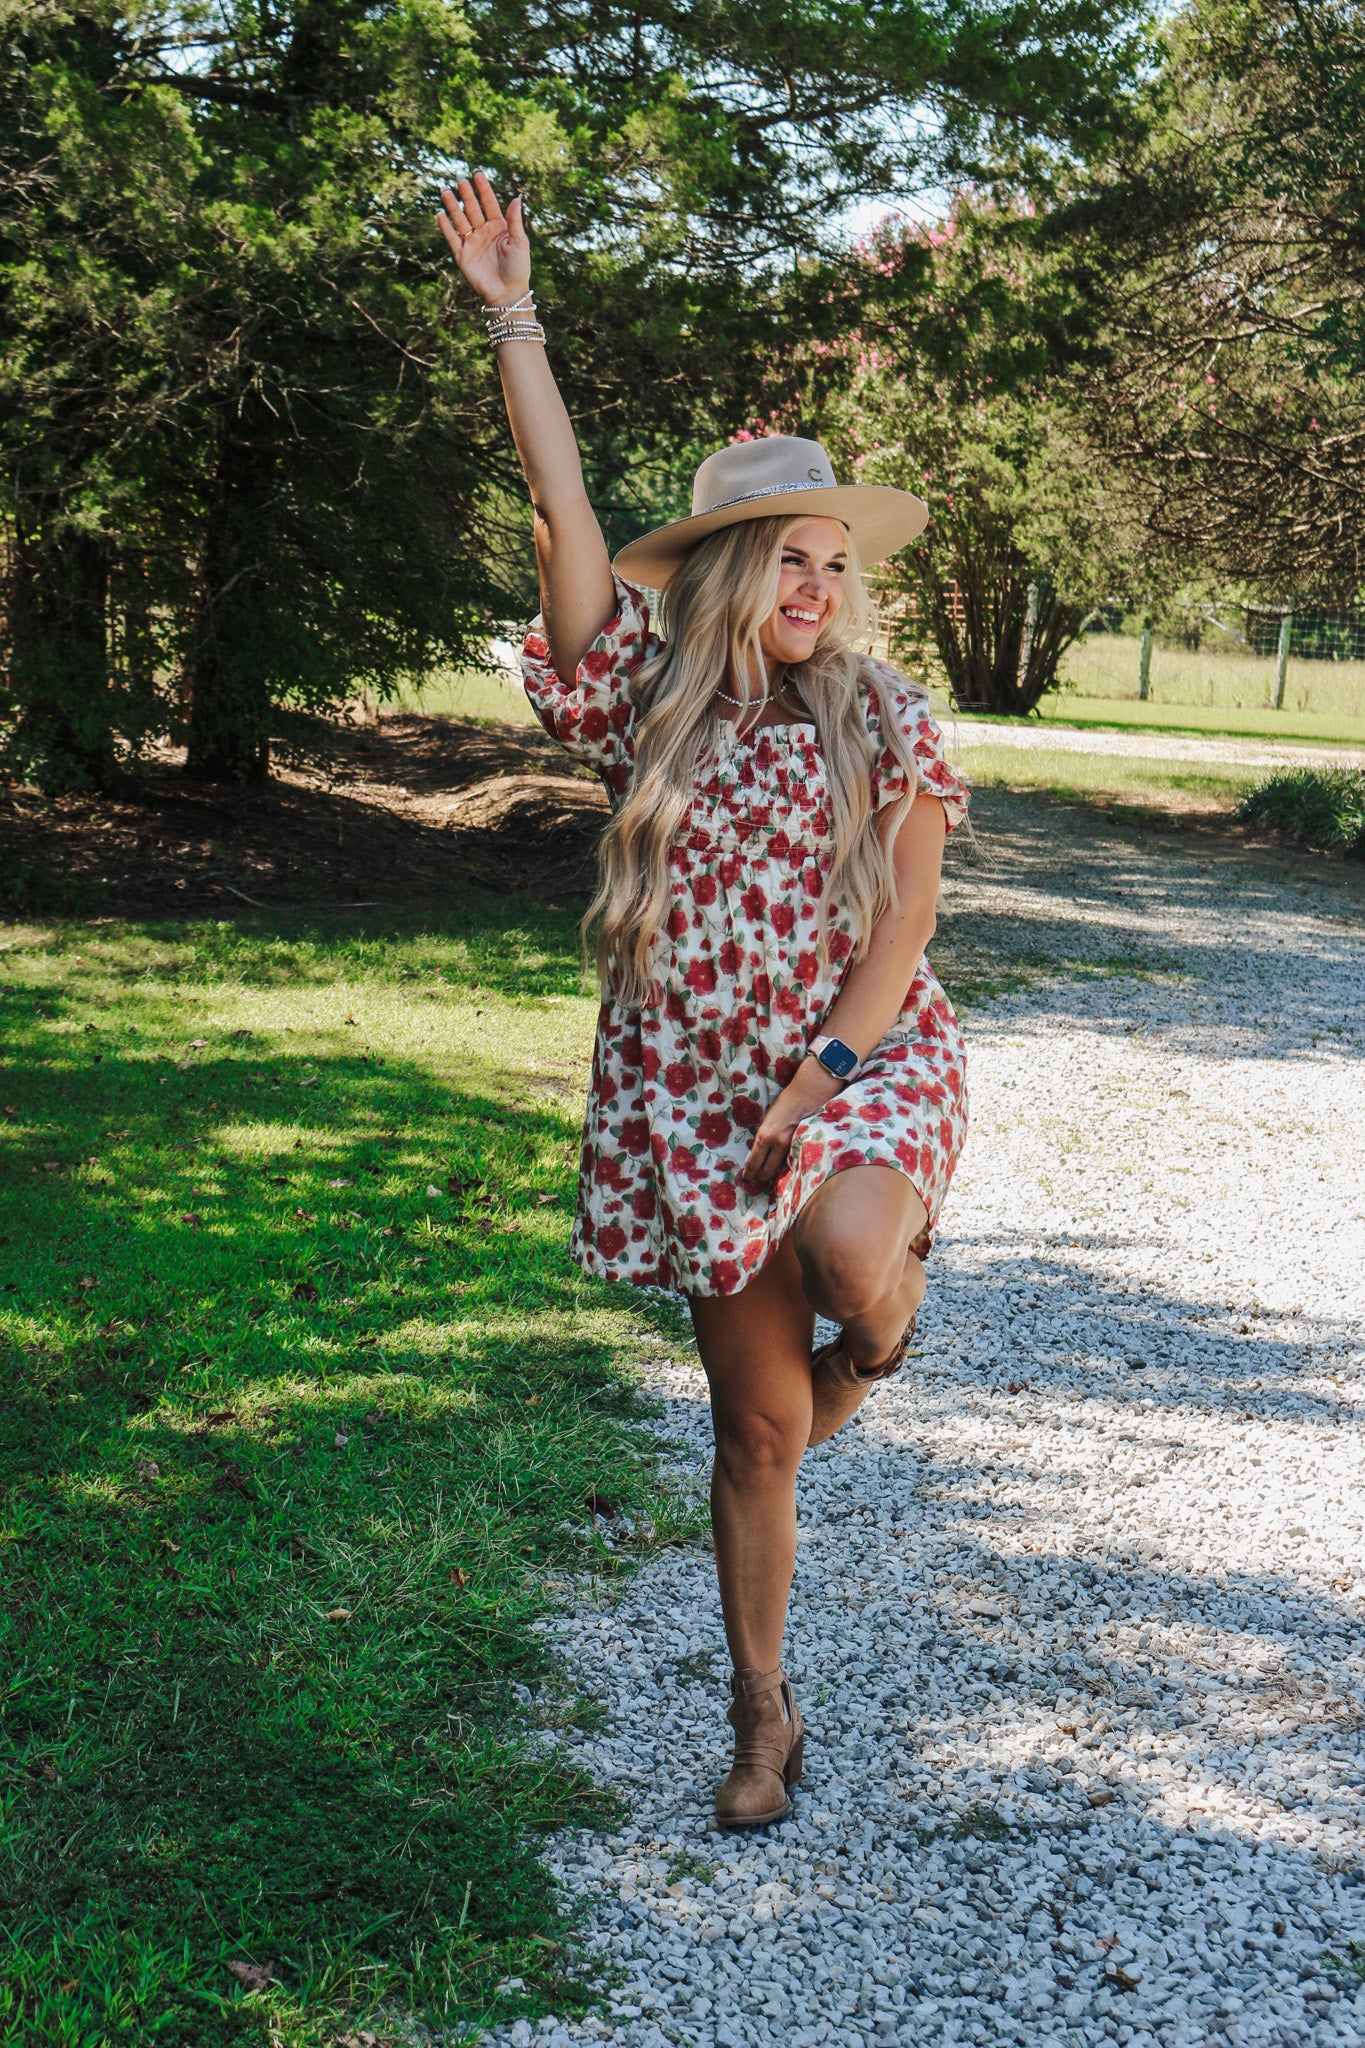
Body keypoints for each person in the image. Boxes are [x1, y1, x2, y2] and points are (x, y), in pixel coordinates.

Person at [439, 174, 970, 1831]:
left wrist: (816, 1084)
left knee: (850, 1261)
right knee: (752, 1438)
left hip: (858, 1062)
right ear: (723, 572)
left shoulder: (880, 712)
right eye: (783, 557)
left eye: (829, 557)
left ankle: (884, 1339)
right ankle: (761, 1718)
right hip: (687, 1082)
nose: (815, 581)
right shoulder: (639, 700)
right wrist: (515, 318)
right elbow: (565, 507)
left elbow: (902, 934)